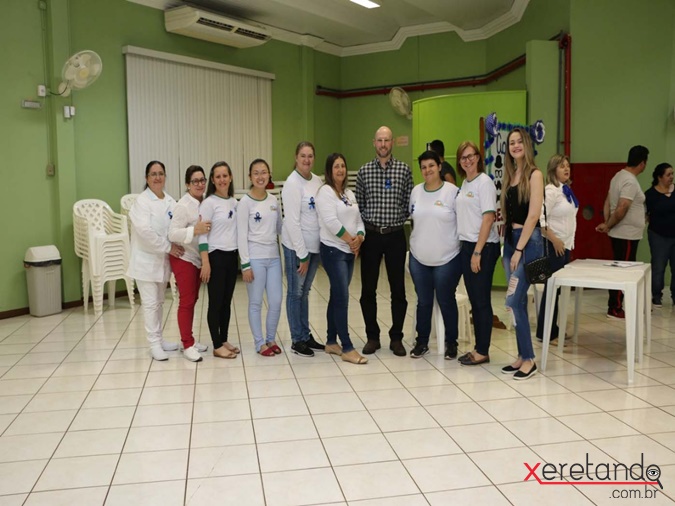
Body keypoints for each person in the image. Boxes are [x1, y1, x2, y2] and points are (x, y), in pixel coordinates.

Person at [356, 126, 414, 356]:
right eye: (379, 140)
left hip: (395, 235)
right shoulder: (364, 172)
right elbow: (359, 206)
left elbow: (409, 204)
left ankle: (396, 337)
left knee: (398, 290)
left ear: (392, 142)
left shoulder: (404, 170)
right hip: (371, 236)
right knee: (367, 290)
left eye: (387, 140)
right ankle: (372, 337)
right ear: (374, 142)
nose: (383, 144)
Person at [408, 150, 462, 359]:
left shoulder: (452, 192)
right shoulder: (416, 191)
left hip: (447, 258)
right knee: (424, 301)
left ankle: (451, 343)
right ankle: (422, 342)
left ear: (439, 166)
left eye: (431, 165)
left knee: (445, 299)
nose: (427, 170)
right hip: (419, 258)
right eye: (423, 167)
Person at [500, 128, 544, 380]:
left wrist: (518, 249)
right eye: (511, 143)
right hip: (510, 241)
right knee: (518, 303)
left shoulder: (534, 175)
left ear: (526, 145)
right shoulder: (511, 175)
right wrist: (508, 245)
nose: (515, 146)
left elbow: (533, 215)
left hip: (527, 243)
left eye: (519, 142)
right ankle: (521, 355)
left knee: (514, 300)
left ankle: (529, 359)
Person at [128, 161, 183, 361]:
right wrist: (168, 247)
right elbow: (145, 232)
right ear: (147, 178)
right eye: (153, 174)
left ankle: (159, 339)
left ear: (165, 176)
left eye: (160, 173)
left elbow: (177, 224)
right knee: (150, 304)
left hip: (162, 262)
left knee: (159, 302)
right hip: (145, 261)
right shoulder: (142, 202)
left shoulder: (169, 200)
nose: (157, 177)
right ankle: (153, 344)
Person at [316, 153, 368, 365]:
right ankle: (346, 346)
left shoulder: (348, 193)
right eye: (336, 166)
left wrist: (360, 238)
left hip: (348, 251)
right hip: (333, 251)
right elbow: (331, 222)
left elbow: (358, 220)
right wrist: (351, 241)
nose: (340, 170)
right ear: (329, 170)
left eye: (343, 166)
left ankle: (331, 341)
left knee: (336, 295)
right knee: (342, 297)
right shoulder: (325, 192)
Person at [454, 141, 500, 366]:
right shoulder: (465, 183)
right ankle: (479, 347)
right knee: (475, 299)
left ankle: (482, 350)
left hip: (483, 247)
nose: (468, 160)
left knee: (481, 300)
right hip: (467, 246)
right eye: (463, 157)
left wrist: (477, 252)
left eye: (471, 156)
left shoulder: (485, 183)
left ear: (478, 157)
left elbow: (488, 218)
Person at [281, 141, 325, 357]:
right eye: (303, 156)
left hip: (314, 247)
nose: (307, 160)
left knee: (305, 292)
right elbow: (292, 222)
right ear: (296, 158)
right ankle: (297, 339)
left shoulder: (317, 181)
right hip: (297, 248)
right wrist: (302, 254)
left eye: (310, 156)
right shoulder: (292, 183)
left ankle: (306, 335)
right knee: (295, 292)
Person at [596, 145, 648, 319]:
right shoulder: (630, 181)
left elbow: (607, 201)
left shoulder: (618, 176)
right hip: (626, 235)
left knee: (621, 270)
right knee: (623, 272)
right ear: (642, 163)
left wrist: (607, 223)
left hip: (623, 233)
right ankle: (615, 307)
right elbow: (622, 207)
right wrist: (609, 225)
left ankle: (617, 305)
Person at [238, 159, 283, 356]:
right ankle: (259, 343)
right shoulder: (245, 203)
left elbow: (280, 228)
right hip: (254, 259)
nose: (260, 176)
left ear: (269, 174)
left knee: (276, 301)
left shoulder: (273, 201)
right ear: (250, 177)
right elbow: (241, 235)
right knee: (255, 302)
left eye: (264, 172)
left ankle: (270, 339)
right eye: (256, 173)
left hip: (274, 258)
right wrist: (245, 265)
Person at [168, 165, 212, 362]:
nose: (200, 184)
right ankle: (187, 344)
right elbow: (172, 233)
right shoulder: (183, 205)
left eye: (202, 180)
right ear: (187, 184)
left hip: (197, 257)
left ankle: (189, 339)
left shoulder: (206, 201)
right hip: (183, 257)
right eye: (195, 181)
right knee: (186, 301)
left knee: (193, 299)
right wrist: (194, 230)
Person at [199, 162, 240, 359]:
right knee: (215, 303)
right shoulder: (209, 203)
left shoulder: (234, 202)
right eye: (218, 176)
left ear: (230, 177)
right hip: (216, 257)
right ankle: (216, 345)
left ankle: (223, 339)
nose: (222, 179)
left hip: (232, 257)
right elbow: (202, 235)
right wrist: (205, 262)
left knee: (226, 302)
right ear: (213, 180)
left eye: (225, 175)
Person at [535, 155, 579, 342]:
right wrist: (555, 240)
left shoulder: (565, 190)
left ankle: (551, 328)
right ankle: (546, 332)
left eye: (568, 166)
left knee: (557, 289)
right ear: (553, 170)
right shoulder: (550, 191)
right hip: (554, 246)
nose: (566, 169)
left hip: (565, 245)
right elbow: (540, 219)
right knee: (552, 288)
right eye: (562, 166)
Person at [645, 162, 675, 308]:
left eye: (672, 174)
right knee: (658, 267)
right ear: (660, 177)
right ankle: (656, 296)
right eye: (668, 174)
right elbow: (646, 214)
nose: (671, 177)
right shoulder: (650, 194)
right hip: (658, 235)